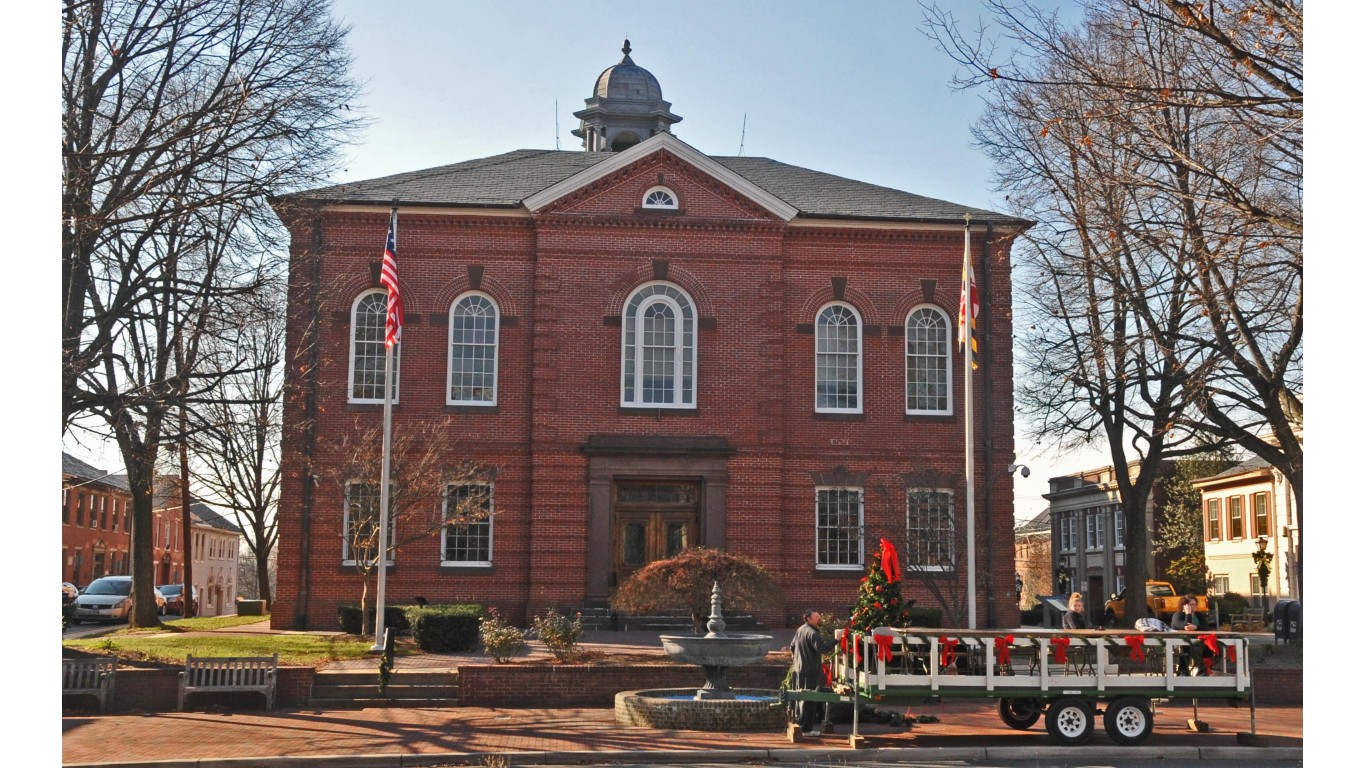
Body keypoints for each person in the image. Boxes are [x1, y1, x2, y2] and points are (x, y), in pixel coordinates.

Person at [789, 609, 836, 736]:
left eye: (818, 616)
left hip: (799, 668)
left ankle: (800, 724)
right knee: (809, 699)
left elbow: (792, 646)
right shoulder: (813, 633)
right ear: (808, 619)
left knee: (801, 697)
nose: (818, 618)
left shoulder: (800, 629)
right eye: (816, 617)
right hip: (809, 670)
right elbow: (823, 649)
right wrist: (836, 640)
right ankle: (806, 729)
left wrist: (796, 659)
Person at [1170, 595, 1210, 675]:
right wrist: (1188, 614)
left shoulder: (1199, 615)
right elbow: (1186, 627)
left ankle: (1203, 671)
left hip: (1198, 641)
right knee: (1186, 646)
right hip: (1180, 642)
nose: (1194, 607)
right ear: (1184, 606)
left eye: (1195, 604)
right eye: (1191, 605)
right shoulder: (1178, 616)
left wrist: (1196, 627)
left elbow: (1206, 627)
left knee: (1208, 646)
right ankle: (1183, 671)